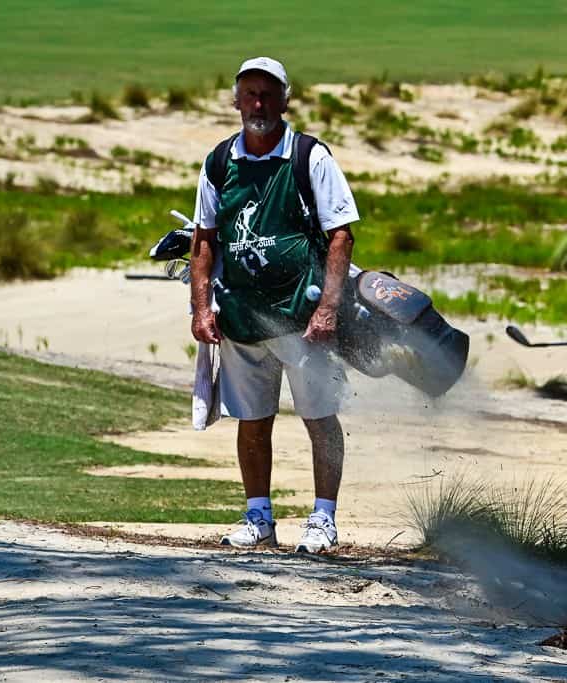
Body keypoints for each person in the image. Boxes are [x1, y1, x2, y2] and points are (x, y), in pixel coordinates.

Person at [190, 57, 359, 553]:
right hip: (242, 317)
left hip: (303, 320)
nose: (258, 104)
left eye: (267, 94)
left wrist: (328, 308)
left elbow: (341, 236)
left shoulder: (309, 156)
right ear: (236, 101)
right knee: (253, 419)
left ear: (285, 100)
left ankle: (323, 519)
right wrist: (202, 309)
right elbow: (203, 241)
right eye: (249, 94)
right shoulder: (220, 162)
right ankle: (258, 517)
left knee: (319, 416)